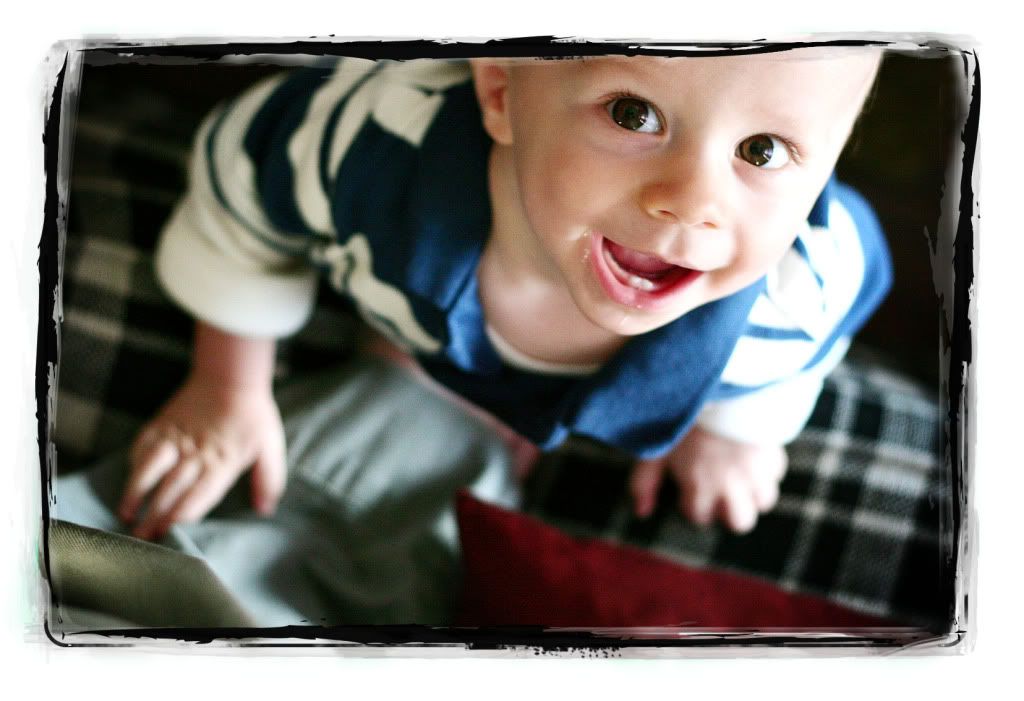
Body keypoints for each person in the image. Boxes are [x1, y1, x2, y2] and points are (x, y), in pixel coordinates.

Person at [118, 48, 890, 542]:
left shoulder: (786, 303)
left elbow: (834, 321)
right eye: (634, 114)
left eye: (763, 150)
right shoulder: (375, 147)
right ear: (498, 90)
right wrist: (229, 382)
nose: (691, 202)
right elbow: (245, 171)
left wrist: (737, 429)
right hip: (402, 290)